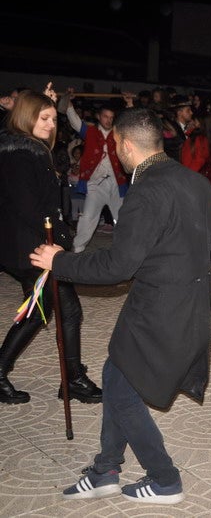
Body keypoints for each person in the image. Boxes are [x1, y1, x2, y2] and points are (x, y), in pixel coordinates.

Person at [30, 106, 211, 503]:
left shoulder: (147, 189)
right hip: (189, 307)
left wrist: (60, 262)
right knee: (117, 374)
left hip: (159, 310)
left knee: (120, 390)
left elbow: (118, 266)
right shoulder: (194, 181)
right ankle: (106, 468)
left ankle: (165, 478)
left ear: (123, 144)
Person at [0, 88, 102, 405]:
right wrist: (58, 242)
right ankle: (72, 380)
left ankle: (70, 378)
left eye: (53, 119)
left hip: (34, 246)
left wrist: (48, 100)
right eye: (43, 118)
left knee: (47, 311)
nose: (51, 124)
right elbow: (30, 208)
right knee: (59, 310)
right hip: (33, 249)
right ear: (26, 117)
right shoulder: (20, 154)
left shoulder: (28, 149)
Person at [60, 90, 133, 253]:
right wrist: (69, 103)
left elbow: (132, 124)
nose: (109, 120)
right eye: (106, 116)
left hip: (117, 183)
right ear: (99, 117)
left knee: (122, 218)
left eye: (111, 117)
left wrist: (129, 104)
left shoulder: (119, 133)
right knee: (88, 217)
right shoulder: (90, 132)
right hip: (95, 184)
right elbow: (74, 121)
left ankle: (127, 250)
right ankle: (78, 249)